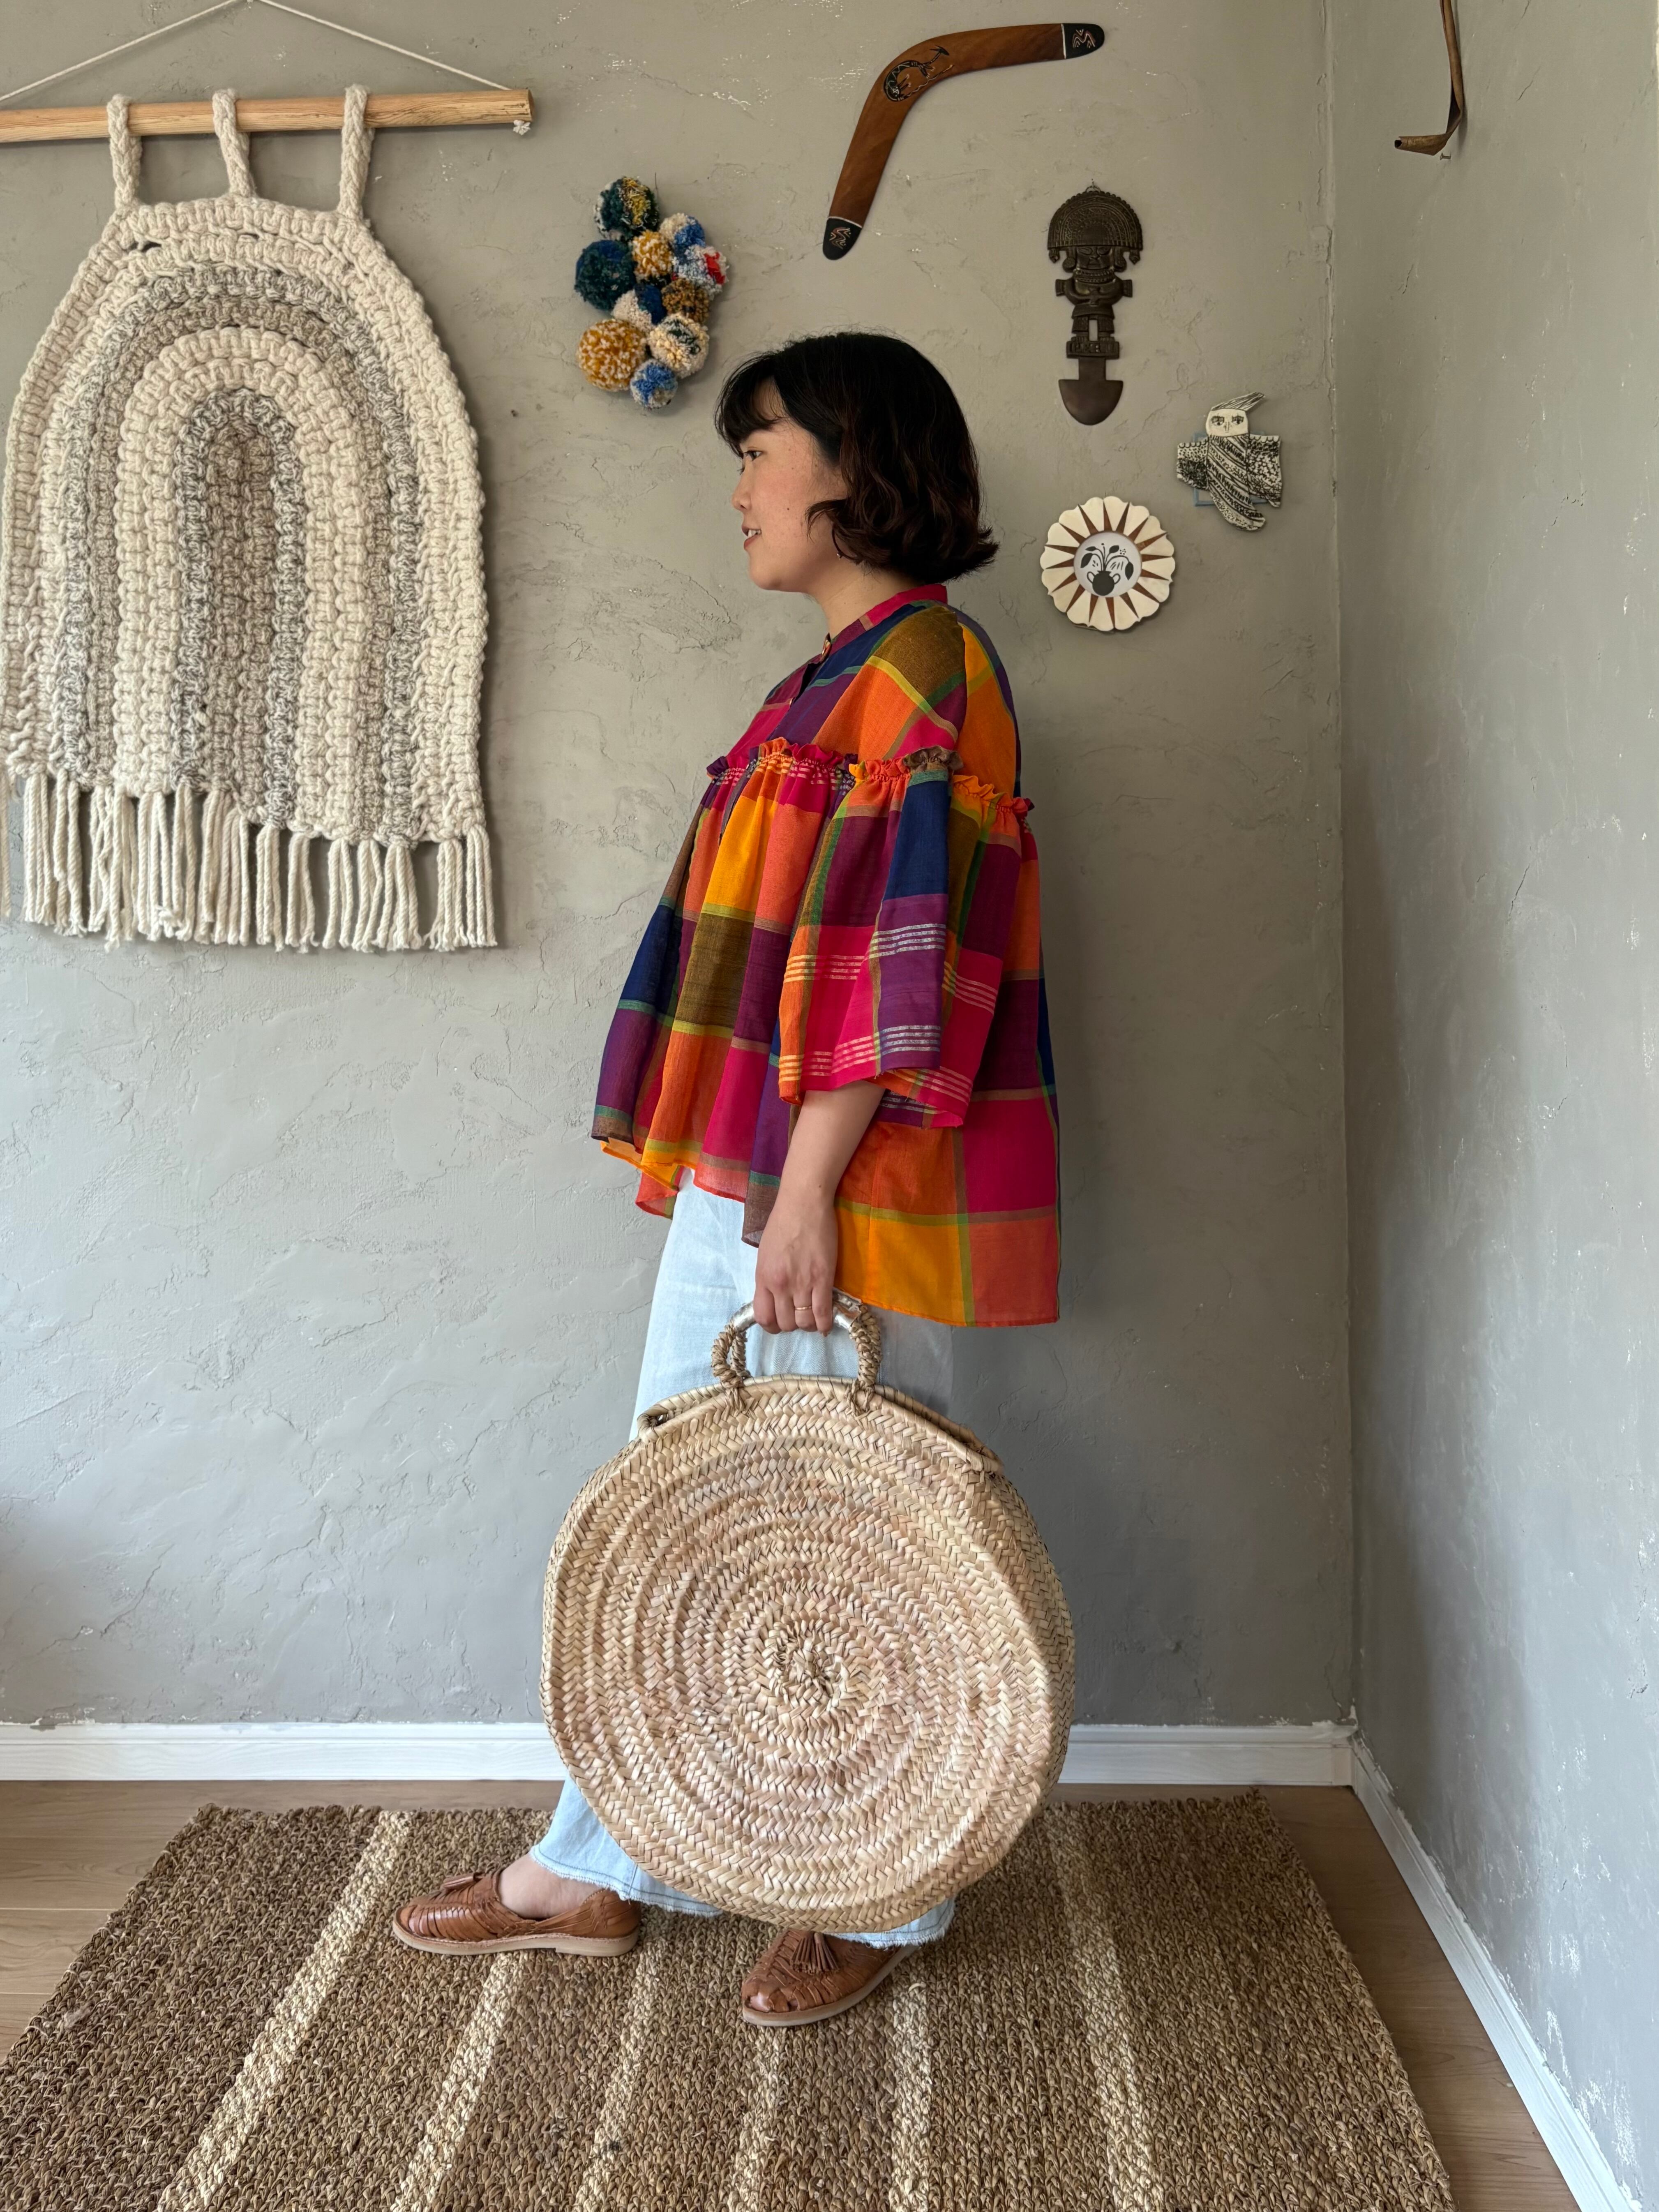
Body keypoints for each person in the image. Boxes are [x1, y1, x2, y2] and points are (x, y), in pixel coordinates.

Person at [392, 331, 1060, 2027]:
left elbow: (894, 959)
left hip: (839, 1174)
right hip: (771, 1160)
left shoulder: (923, 670)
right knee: (696, 1521)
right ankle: (602, 1862)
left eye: (759, 449)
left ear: (850, 463)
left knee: (846, 1548)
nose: (741, 486)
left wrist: (806, 1192)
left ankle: (877, 1891)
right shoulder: (838, 674)